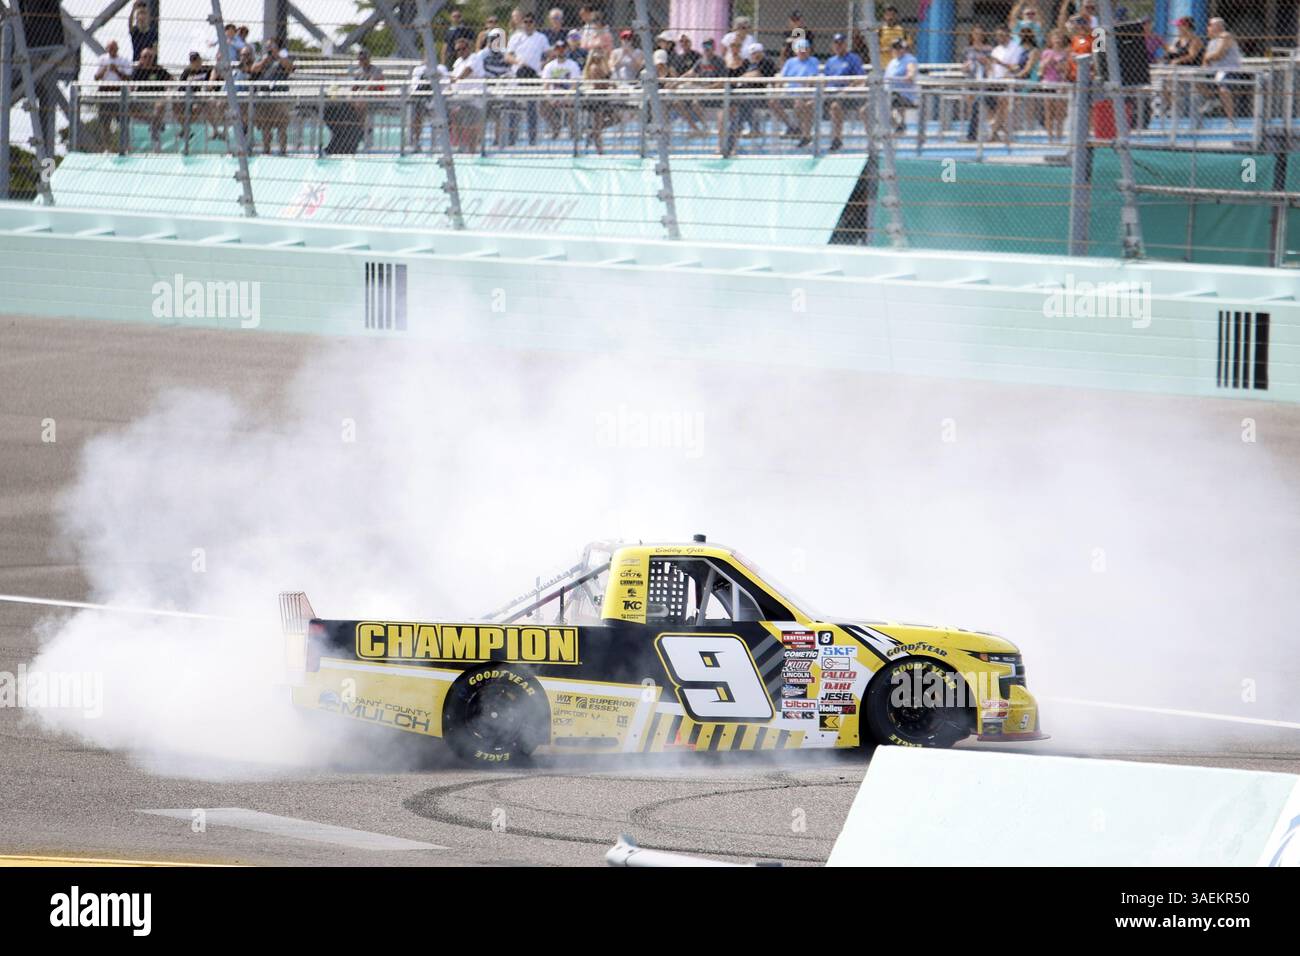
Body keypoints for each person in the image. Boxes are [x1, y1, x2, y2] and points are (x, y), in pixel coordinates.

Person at [722, 41, 775, 156]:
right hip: (743, 96)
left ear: (762, 52)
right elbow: (734, 73)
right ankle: (731, 145)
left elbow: (757, 75)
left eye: (757, 53)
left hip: (759, 96)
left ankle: (752, 129)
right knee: (737, 117)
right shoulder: (747, 63)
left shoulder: (766, 62)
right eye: (753, 53)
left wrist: (742, 78)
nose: (755, 55)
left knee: (740, 114)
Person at [1200, 18, 1245, 125]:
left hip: (1229, 70)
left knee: (1224, 89)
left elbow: (1219, 54)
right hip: (1215, 71)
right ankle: (1212, 99)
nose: (1208, 28)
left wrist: (1208, 58)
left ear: (1219, 26)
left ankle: (1230, 120)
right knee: (1196, 80)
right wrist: (1206, 62)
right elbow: (1205, 59)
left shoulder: (1226, 36)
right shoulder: (1211, 41)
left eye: (1210, 25)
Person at [824, 32, 864, 151]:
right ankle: (804, 136)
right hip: (830, 93)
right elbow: (826, 79)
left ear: (845, 45)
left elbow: (860, 78)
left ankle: (837, 139)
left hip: (848, 94)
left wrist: (848, 88)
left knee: (836, 106)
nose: (838, 46)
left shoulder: (853, 58)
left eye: (840, 43)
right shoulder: (830, 61)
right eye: (836, 43)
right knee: (807, 104)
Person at [776, 36, 819, 147]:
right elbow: (782, 77)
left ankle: (803, 134)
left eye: (805, 48)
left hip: (805, 94)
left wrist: (803, 90)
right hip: (789, 93)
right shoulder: (790, 62)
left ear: (809, 50)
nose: (802, 51)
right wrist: (778, 88)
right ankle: (792, 126)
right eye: (799, 48)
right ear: (795, 50)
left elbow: (812, 79)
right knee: (772, 101)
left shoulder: (813, 61)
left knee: (801, 103)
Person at [130, 47, 173, 150]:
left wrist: (167, 89)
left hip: (157, 97)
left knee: (159, 105)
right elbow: (131, 86)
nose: (148, 59)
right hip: (142, 99)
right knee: (128, 106)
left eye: (150, 57)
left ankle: (155, 134)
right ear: (141, 58)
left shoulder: (158, 69)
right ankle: (153, 121)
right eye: (145, 57)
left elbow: (171, 79)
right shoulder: (137, 71)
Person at [540, 40, 581, 139]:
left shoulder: (573, 65)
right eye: (558, 49)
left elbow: (574, 85)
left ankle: (573, 132)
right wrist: (549, 97)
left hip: (568, 95)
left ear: (566, 50)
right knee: (541, 105)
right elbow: (546, 85)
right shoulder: (549, 66)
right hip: (554, 94)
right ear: (555, 51)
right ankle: (556, 126)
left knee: (572, 103)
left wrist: (566, 97)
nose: (561, 51)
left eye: (563, 48)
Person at [580, 47, 615, 153]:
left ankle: (593, 133)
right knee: (598, 124)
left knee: (613, 119)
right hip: (596, 99)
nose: (599, 57)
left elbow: (607, 76)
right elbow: (599, 83)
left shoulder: (603, 66)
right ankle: (600, 150)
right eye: (596, 55)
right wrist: (609, 84)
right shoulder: (594, 67)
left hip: (603, 97)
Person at [962, 25, 994, 141]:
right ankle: (975, 130)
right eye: (975, 33)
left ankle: (987, 131)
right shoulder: (968, 50)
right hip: (972, 79)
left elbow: (992, 64)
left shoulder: (989, 49)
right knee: (972, 106)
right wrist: (965, 67)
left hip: (985, 80)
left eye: (980, 33)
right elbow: (964, 65)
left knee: (984, 105)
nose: (978, 36)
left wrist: (986, 62)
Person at [883, 38, 918, 135]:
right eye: (895, 48)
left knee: (893, 100)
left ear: (904, 49)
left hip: (904, 94)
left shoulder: (909, 59)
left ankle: (900, 126)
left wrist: (910, 75)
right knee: (882, 105)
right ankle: (899, 126)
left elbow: (911, 70)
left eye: (900, 48)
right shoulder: (892, 62)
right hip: (889, 93)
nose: (897, 50)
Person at [1039, 29, 1069, 141]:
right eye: (1054, 37)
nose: (1057, 39)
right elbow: (1041, 70)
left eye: (1059, 37)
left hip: (1060, 83)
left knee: (1059, 112)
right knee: (1048, 110)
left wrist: (1059, 66)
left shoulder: (1065, 53)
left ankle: (1059, 135)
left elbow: (1065, 69)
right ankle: (1050, 136)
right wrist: (1047, 62)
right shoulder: (1046, 52)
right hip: (1048, 83)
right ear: (1051, 40)